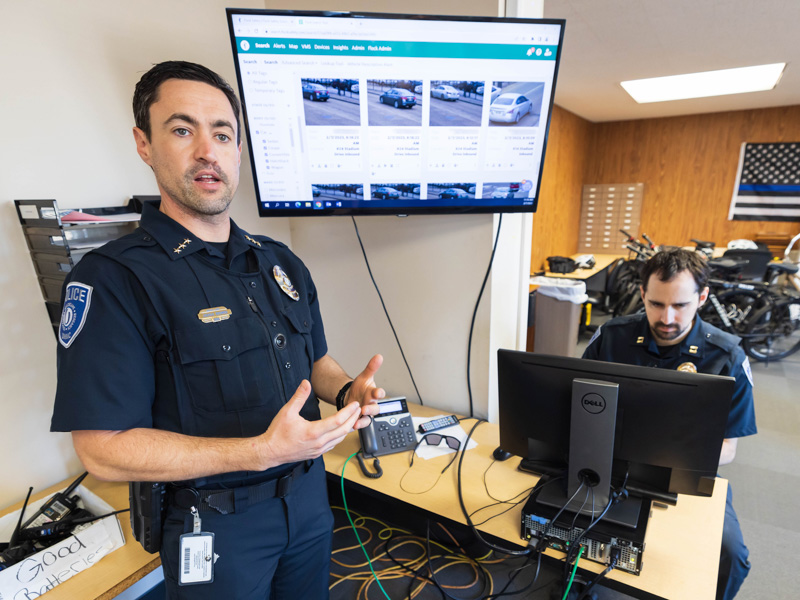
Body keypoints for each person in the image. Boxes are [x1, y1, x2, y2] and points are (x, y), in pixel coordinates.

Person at [51, 61, 385, 599]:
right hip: (215, 525)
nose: (208, 151)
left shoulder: (280, 262)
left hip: (308, 504)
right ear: (144, 144)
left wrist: (349, 390)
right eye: (183, 130)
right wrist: (260, 452)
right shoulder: (114, 278)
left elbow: (316, 361)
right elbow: (102, 450)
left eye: (222, 134)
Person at [583, 248, 756, 600]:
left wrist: (663, 453)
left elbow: (727, 450)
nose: (666, 318)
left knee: (731, 556)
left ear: (702, 297)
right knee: (555, 518)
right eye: (656, 304)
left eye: (680, 305)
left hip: (686, 473)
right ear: (643, 294)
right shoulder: (612, 338)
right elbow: (578, 406)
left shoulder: (727, 357)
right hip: (612, 463)